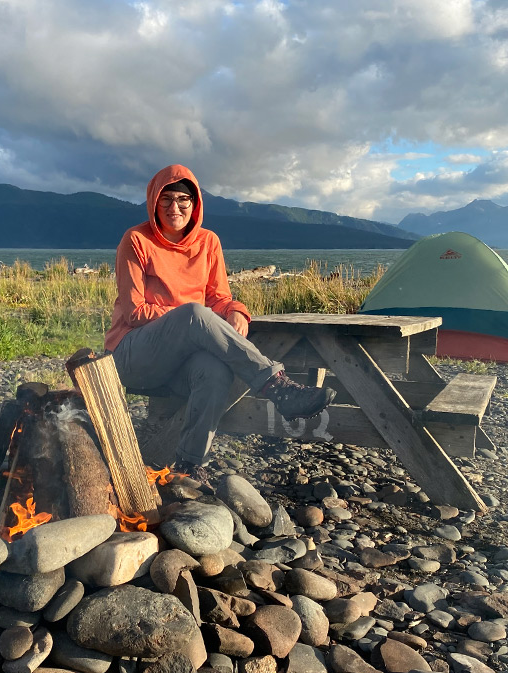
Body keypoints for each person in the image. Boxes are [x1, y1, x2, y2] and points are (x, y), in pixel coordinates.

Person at [105, 164, 336, 472]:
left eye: (183, 200)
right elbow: (135, 312)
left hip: (178, 361)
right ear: (154, 202)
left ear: (195, 203)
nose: (175, 207)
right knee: (193, 314)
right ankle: (276, 386)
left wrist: (236, 310)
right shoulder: (135, 240)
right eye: (166, 199)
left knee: (213, 370)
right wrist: (192, 319)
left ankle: (190, 465)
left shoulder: (208, 242)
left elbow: (219, 298)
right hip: (133, 355)